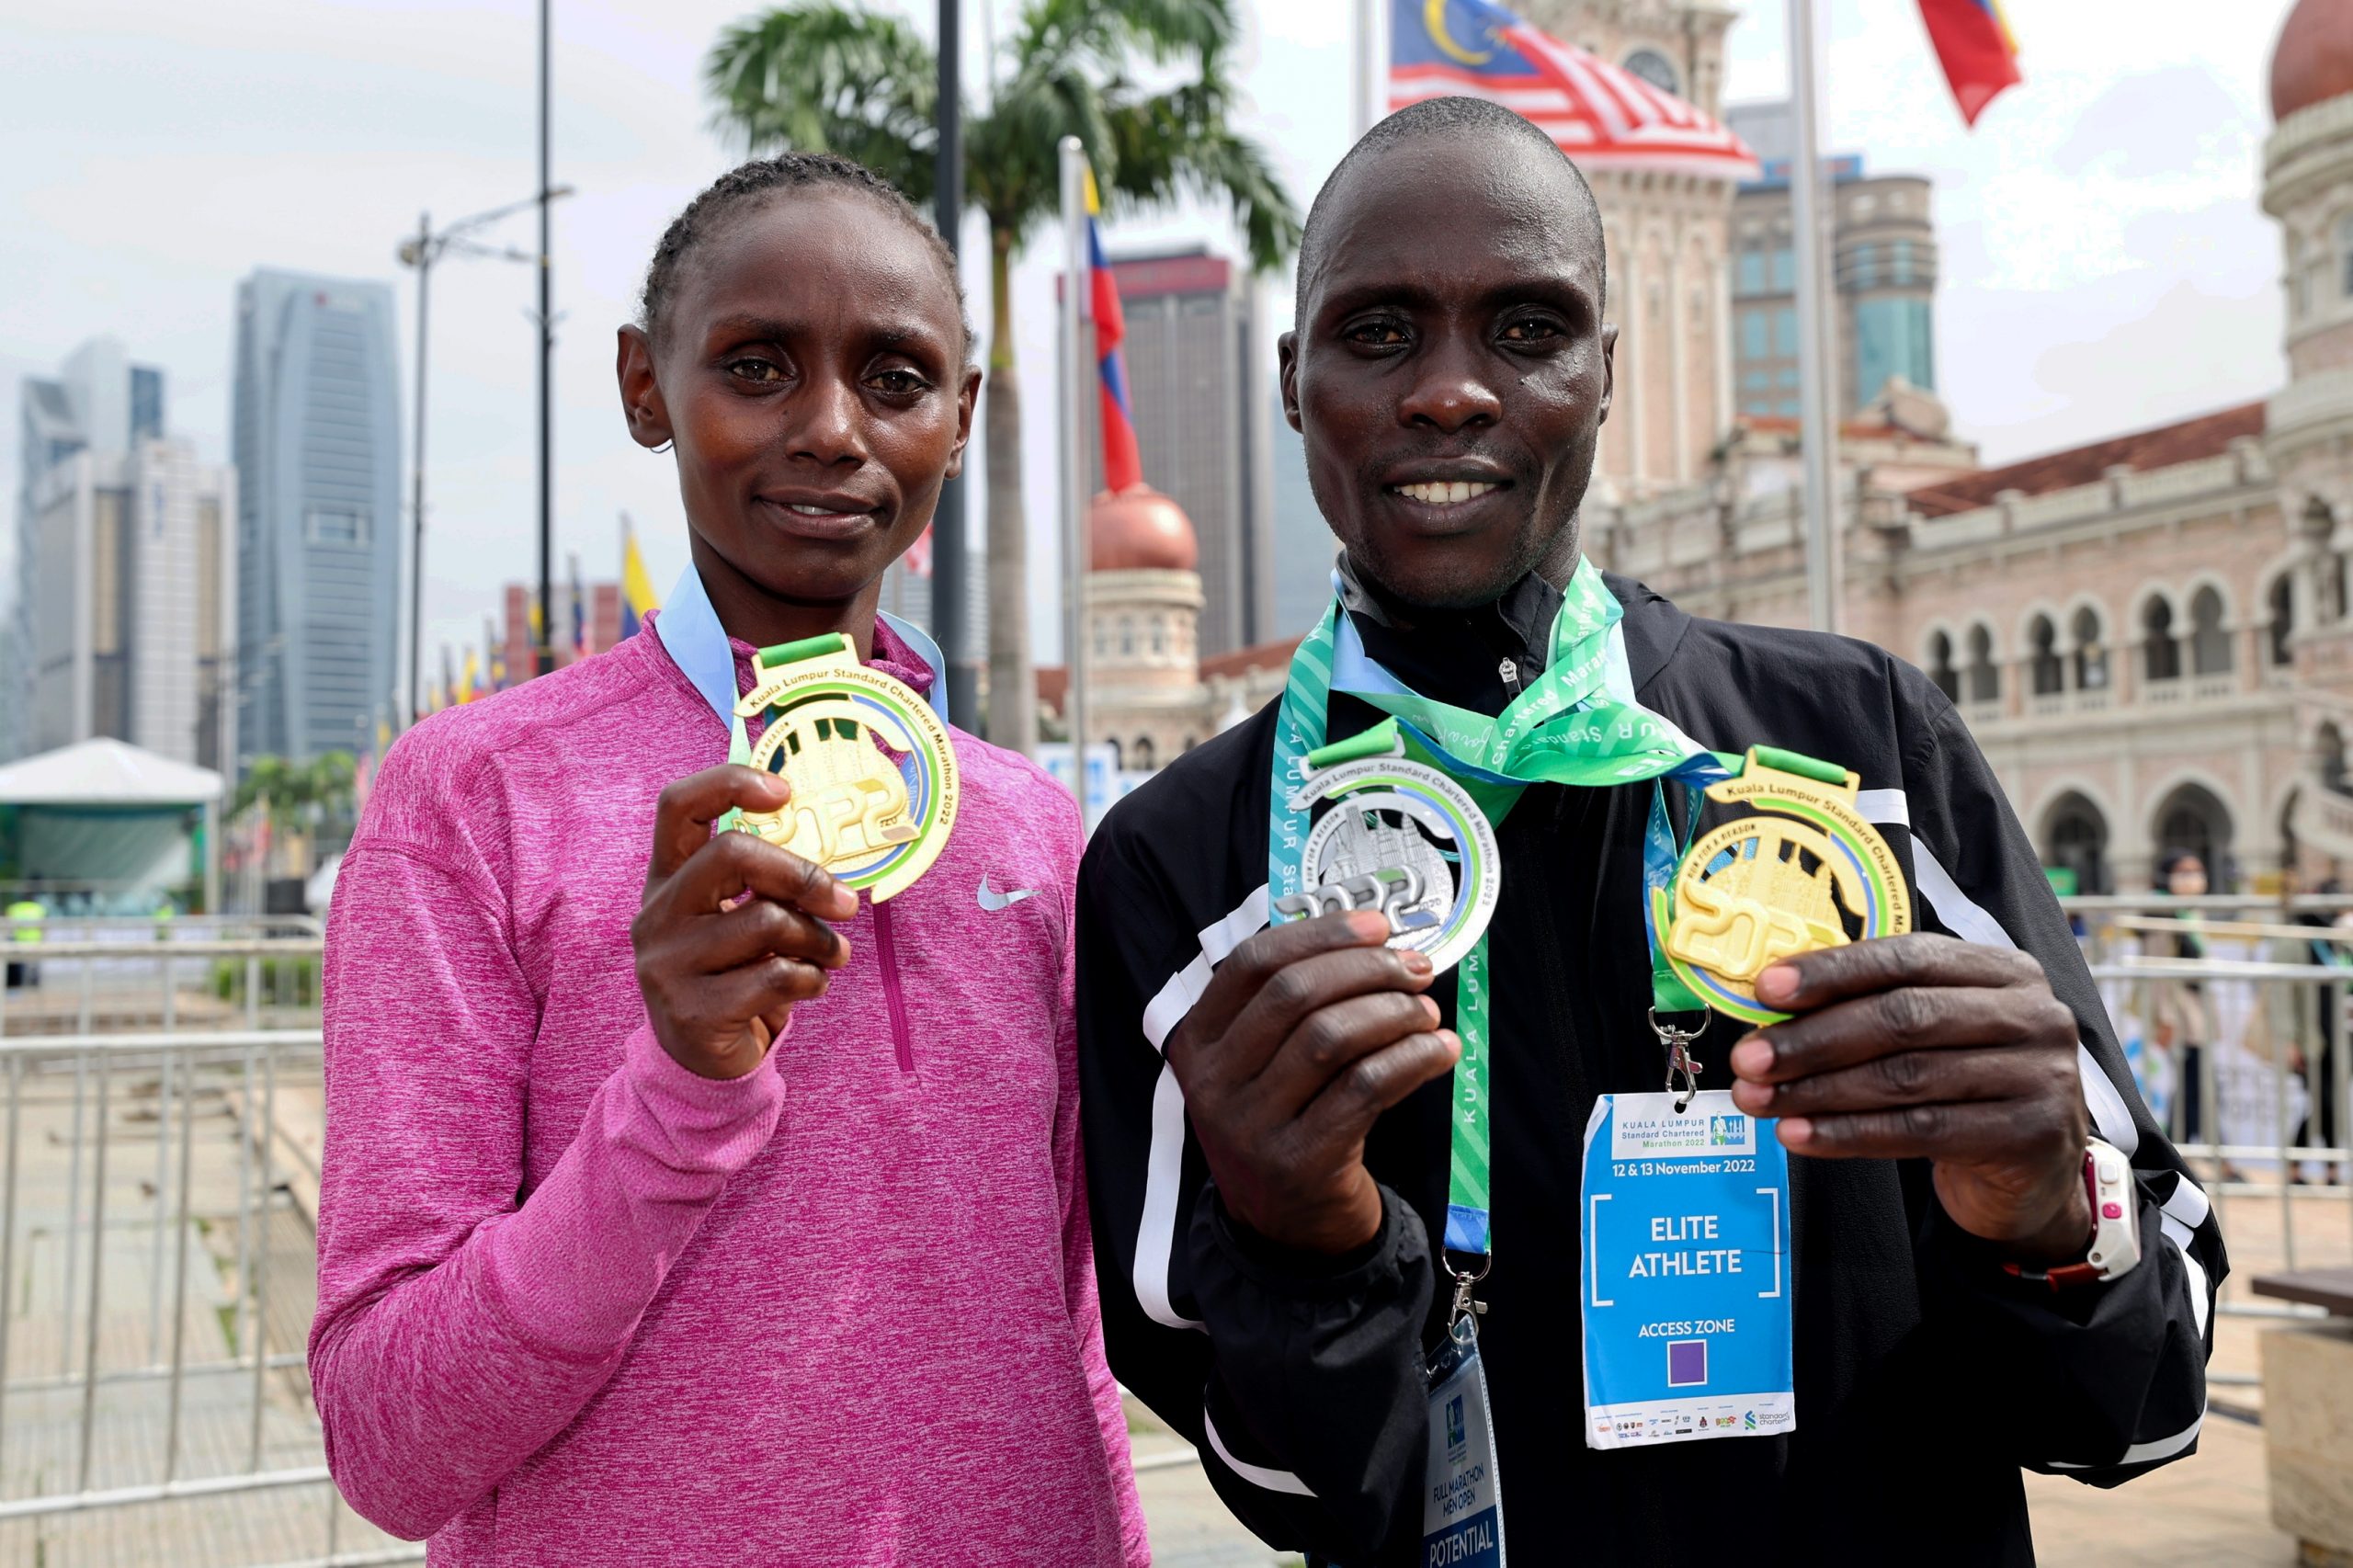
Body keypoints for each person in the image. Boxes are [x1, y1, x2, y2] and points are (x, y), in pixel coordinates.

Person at [1077, 98, 2222, 1568]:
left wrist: (2044, 1208)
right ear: (1291, 379)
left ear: (1606, 374)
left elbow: (2141, 1407)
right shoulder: (1191, 872)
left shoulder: (1863, 748)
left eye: (1526, 328)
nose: (1449, 393)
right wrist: (1309, 1243)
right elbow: (1287, 1489)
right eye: (1377, 334)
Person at [313, 153, 1146, 1565]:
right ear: (647, 385)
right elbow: (390, 1441)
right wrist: (675, 1094)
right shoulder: (471, 799)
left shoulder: (1033, 826)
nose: (831, 429)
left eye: (894, 377)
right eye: (757, 367)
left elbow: (1065, 1344)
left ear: (963, 414)